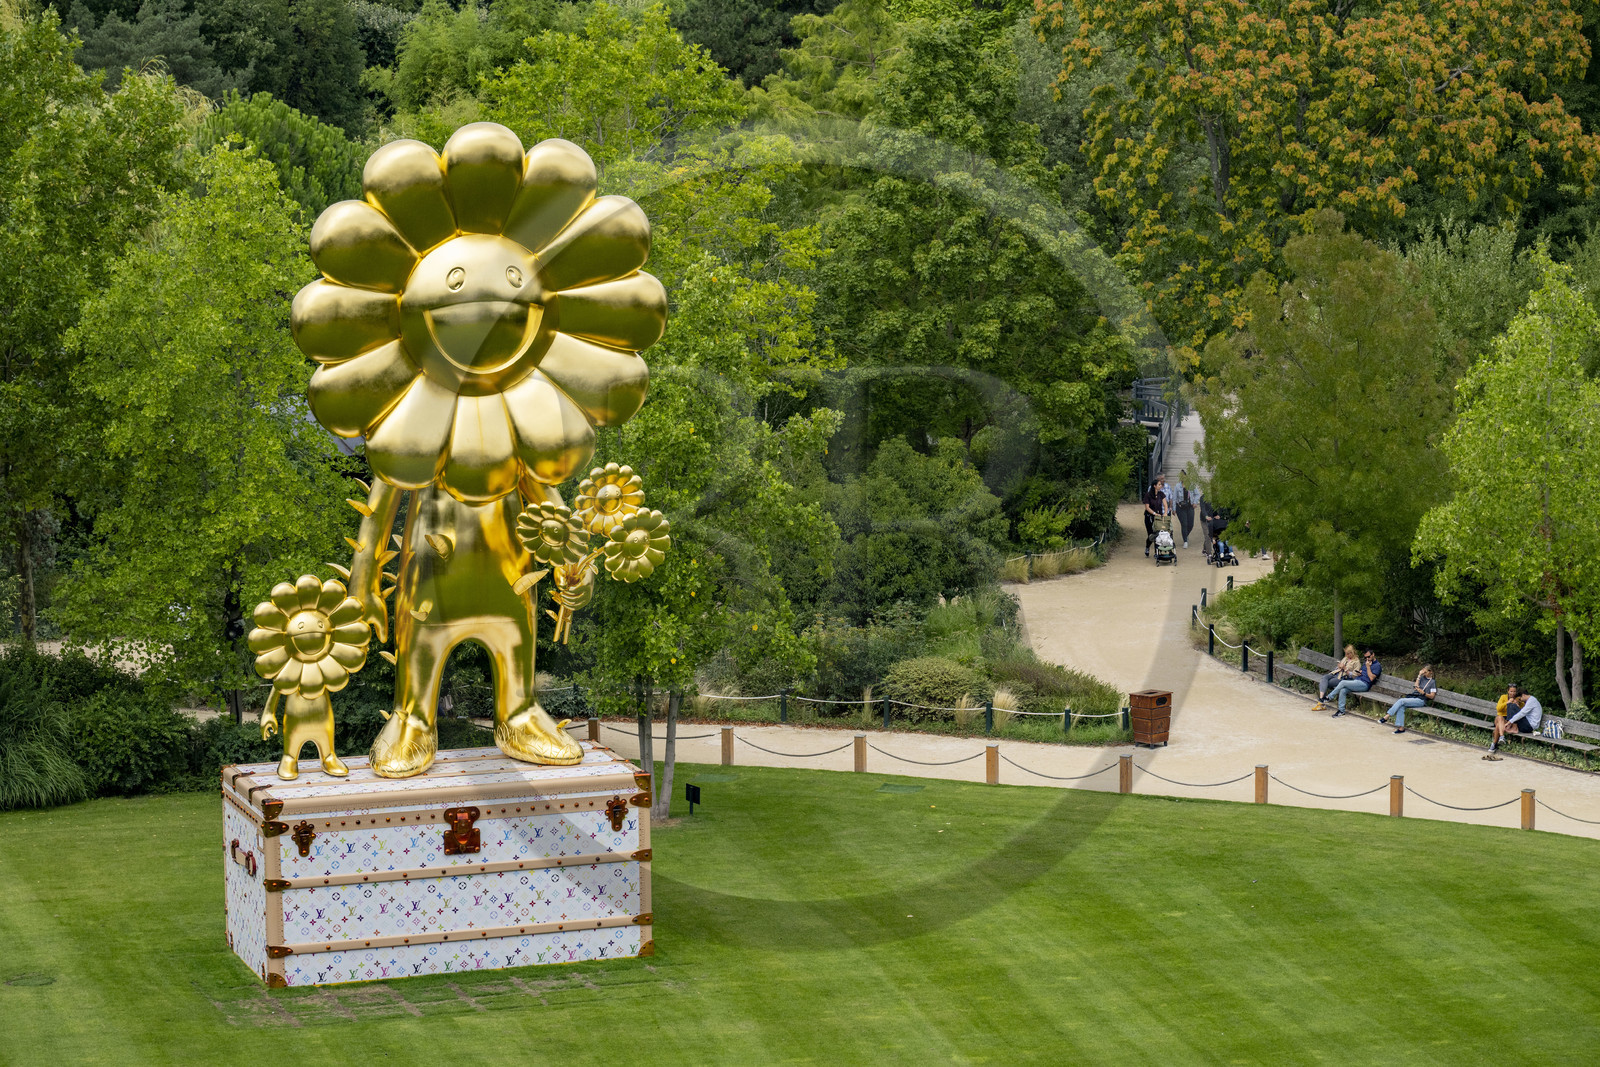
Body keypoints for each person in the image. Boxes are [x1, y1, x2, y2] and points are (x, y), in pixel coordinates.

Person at [1485, 685, 1543, 760]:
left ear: (1523, 695)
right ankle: (1495, 744)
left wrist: (1510, 721)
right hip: (1526, 723)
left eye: (1520, 698)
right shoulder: (1530, 700)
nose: (1521, 700)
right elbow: (1500, 709)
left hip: (1529, 726)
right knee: (1499, 724)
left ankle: (1510, 730)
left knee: (1511, 706)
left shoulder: (1531, 701)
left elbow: (1521, 713)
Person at [1325, 649, 1381, 717]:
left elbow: (1371, 678)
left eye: (1368, 657)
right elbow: (1362, 672)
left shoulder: (1377, 666)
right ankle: (1341, 711)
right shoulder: (1366, 662)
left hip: (1364, 684)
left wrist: (1368, 667)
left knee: (1343, 682)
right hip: (1357, 681)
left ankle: (1329, 697)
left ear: (1373, 655)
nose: (1367, 659)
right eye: (1365, 657)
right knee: (1343, 690)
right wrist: (1360, 673)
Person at [1381, 666, 1436, 734]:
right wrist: (1419, 675)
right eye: (1423, 672)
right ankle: (1401, 728)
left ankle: (1387, 716)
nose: (1424, 674)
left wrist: (1424, 693)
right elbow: (1415, 686)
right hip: (1414, 697)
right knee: (1401, 706)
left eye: (1425, 672)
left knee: (1401, 701)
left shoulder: (1432, 682)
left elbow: (1432, 696)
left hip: (1421, 700)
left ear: (1430, 672)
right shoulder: (1422, 678)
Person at [1143, 476, 1167, 557]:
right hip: (1149, 517)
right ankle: (1147, 546)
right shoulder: (1148, 495)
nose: (1161, 486)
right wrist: (1154, 513)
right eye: (1159, 484)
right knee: (1151, 535)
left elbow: (1165, 504)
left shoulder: (1161, 494)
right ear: (1154, 486)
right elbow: (1147, 507)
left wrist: (1165, 512)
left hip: (1158, 517)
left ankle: (1156, 552)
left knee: (1158, 534)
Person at [1175, 478, 1198, 549]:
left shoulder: (1192, 485)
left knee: (1191, 524)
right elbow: (1174, 497)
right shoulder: (1177, 486)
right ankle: (1185, 541)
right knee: (1184, 524)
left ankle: (1186, 534)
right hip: (1181, 507)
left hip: (1190, 506)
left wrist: (1195, 502)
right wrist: (1173, 508)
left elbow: (1197, 494)